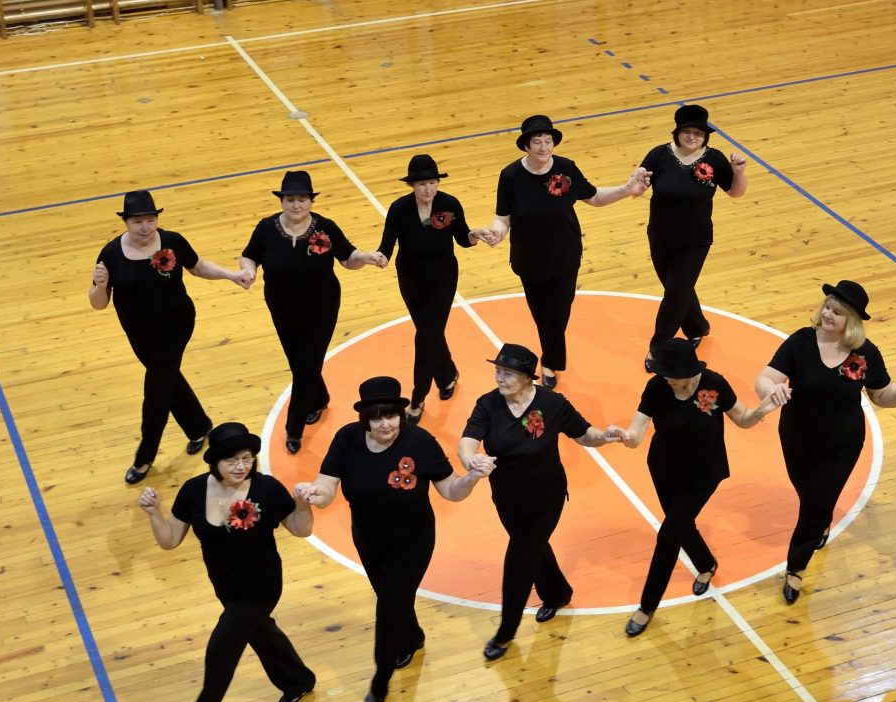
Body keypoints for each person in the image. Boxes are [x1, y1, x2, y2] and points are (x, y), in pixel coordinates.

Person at [294, 376, 494, 702]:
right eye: (377, 418)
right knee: (394, 601)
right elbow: (326, 490)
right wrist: (312, 494)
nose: (386, 424)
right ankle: (414, 637)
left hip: (412, 542)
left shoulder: (420, 441)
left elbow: (451, 491)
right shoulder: (347, 439)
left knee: (387, 610)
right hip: (368, 539)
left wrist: (472, 477)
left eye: (392, 416)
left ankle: (380, 681)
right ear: (365, 419)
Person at [754, 281, 896, 603]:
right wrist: (771, 389)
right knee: (808, 493)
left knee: (814, 504)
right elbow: (765, 377)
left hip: (842, 444)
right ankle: (821, 520)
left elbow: (882, 394)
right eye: (827, 307)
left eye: (837, 312)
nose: (828, 314)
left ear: (851, 320)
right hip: (796, 436)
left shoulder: (866, 353)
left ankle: (795, 568)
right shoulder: (801, 342)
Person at [137, 422, 317, 702]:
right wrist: (154, 514)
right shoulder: (193, 491)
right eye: (232, 460)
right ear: (215, 462)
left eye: (247, 458)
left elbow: (300, 529)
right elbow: (169, 540)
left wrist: (303, 506)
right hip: (225, 588)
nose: (241, 466)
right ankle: (299, 681)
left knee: (222, 652)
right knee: (261, 633)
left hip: (261, 587)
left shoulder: (267, 489)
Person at [457, 343, 626, 659]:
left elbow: (584, 434)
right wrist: (471, 460)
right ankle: (557, 593)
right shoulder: (488, 404)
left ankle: (506, 632)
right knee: (535, 548)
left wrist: (606, 436)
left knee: (519, 559)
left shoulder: (552, 403)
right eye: (498, 371)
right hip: (507, 498)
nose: (499, 378)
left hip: (546, 497)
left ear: (527, 377)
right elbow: (467, 441)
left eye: (507, 373)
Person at [617, 338, 785, 636]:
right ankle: (706, 564)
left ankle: (646, 606)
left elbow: (743, 419)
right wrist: (627, 438)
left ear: (687, 370)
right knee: (682, 525)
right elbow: (638, 431)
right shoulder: (657, 387)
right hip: (663, 468)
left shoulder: (714, 383)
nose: (664, 377)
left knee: (669, 534)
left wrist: (762, 409)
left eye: (669, 372)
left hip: (704, 472)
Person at [90, 190, 251, 484]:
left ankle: (144, 458)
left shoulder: (173, 242)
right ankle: (199, 426)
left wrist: (231, 274)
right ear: (126, 222)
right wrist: (100, 286)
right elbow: (99, 303)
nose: (145, 227)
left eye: (150, 220)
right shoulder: (111, 254)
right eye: (137, 221)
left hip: (176, 326)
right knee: (167, 379)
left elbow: (197, 266)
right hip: (139, 334)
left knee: (156, 394)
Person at [478, 114, 650, 388]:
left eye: (548, 141)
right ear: (526, 146)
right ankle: (550, 358)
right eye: (537, 142)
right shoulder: (511, 175)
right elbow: (503, 216)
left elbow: (594, 197)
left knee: (557, 313)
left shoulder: (566, 168)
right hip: (529, 257)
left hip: (565, 254)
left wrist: (627, 189)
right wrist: (497, 232)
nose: (544, 147)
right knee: (541, 315)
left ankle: (549, 361)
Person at [239, 170, 386, 455]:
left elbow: (348, 257)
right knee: (299, 363)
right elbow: (249, 255)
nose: (296, 205)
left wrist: (366, 257)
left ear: (310, 201)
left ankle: (294, 429)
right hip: (281, 307)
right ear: (282, 201)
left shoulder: (325, 227)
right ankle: (319, 398)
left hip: (321, 308)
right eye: (290, 199)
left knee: (305, 369)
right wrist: (248, 271)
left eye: (302, 199)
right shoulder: (266, 228)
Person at [377, 155, 494, 424]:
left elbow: (463, 238)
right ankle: (447, 374)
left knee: (425, 338)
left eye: (432, 183)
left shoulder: (449, 204)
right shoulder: (399, 209)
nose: (428, 189)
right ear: (412, 186)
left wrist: (475, 235)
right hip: (410, 278)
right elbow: (387, 244)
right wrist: (379, 257)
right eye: (422, 184)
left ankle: (417, 398)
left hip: (443, 277)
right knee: (429, 333)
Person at [639, 104, 748, 371]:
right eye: (687, 131)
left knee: (675, 294)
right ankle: (697, 326)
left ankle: (658, 348)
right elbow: (638, 187)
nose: (692, 137)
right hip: (660, 236)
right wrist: (637, 182)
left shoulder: (715, 159)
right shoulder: (659, 155)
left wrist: (739, 172)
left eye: (698, 133)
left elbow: (735, 192)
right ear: (677, 133)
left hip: (695, 241)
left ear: (705, 135)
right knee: (677, 288)